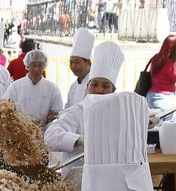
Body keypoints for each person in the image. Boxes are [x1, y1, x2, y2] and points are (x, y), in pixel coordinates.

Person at [45, 41, 124, 177]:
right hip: (76, 186)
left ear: (113, 90)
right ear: (88, 86)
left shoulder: (120, 112)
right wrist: (79, 140)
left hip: (108, 180)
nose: (99, 90)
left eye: (105, 86)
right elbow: (50, 137)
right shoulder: (76, 112)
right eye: (95, 85)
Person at [3, 49, 63, 130]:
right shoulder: (15, 87)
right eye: (33, 65)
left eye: (40, 65)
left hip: (44, 133)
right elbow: (5, 108)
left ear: (44, 66)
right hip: (19, 133)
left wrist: (46, 120)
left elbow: (57, 112)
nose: (36, 69)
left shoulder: (52, 88)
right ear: (27, 66)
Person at [144, 34, 176, 123]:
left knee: (152, 126)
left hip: (151, 95)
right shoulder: (171, 64)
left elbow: (164, 73)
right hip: (164, 99)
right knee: (165, 127)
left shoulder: (156, 58)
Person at [66, 28, 94, 109]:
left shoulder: (94, 86)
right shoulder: (73, 87)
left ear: (88, 62)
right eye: (71, 62)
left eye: (77, 62)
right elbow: (67, 109)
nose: (73, 66)